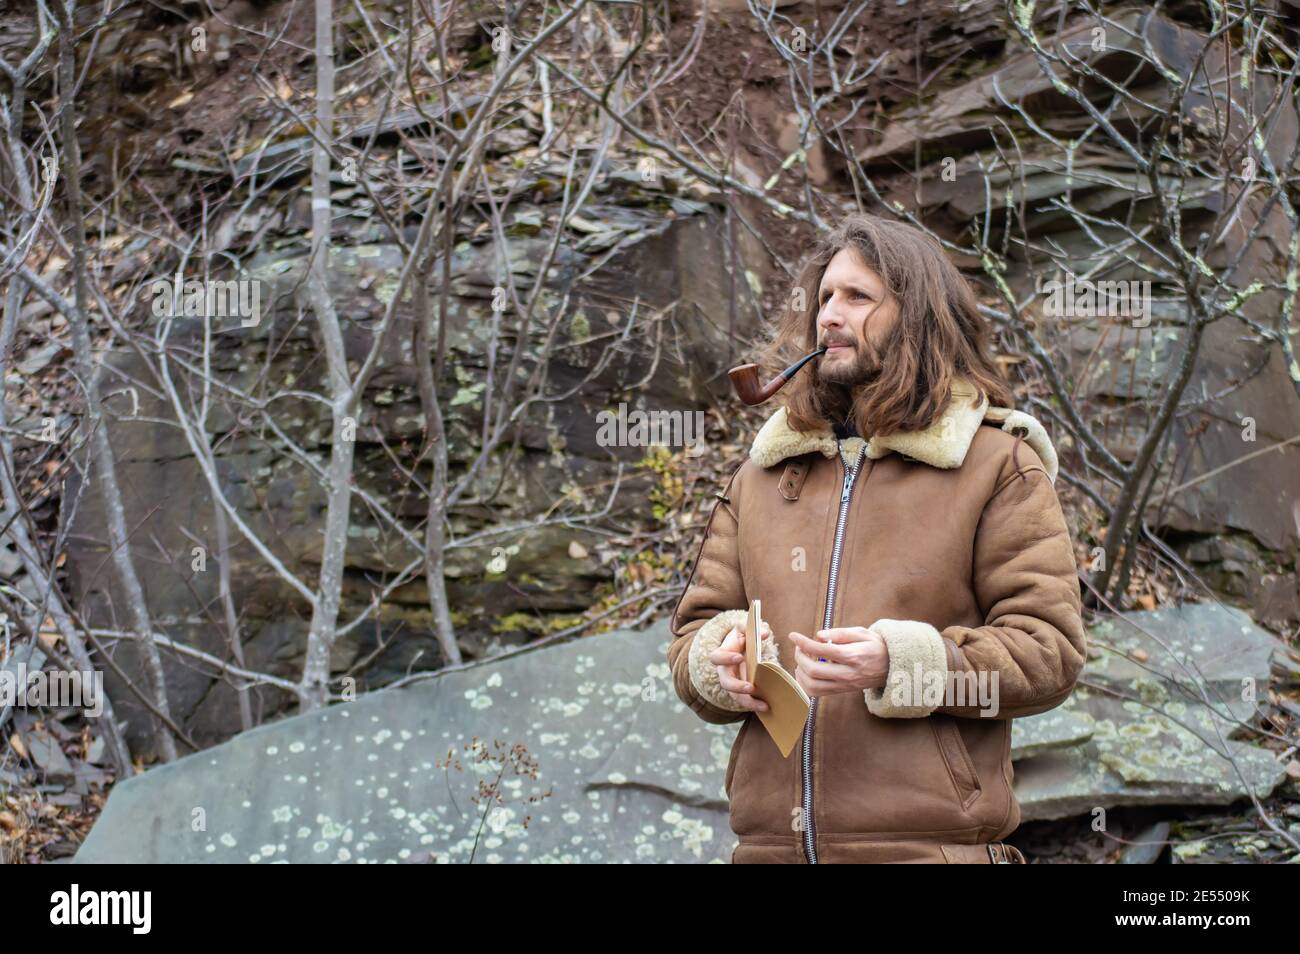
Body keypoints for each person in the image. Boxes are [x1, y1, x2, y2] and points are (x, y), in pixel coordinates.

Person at [667, 212, 1087, 864]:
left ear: (918, 317)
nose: (830, 315)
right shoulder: (762, 476)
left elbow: (1048, 652)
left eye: (858, 297)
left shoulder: (995, 464)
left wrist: (905, 664)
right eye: (825, 298)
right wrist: (716, 663)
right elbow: (690, 638)